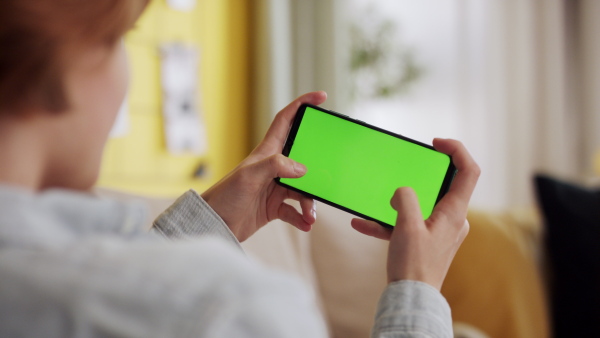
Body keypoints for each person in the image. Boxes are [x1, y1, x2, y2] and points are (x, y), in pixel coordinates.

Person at [0, 0, 480, 337]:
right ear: (59, 64)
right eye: (119, 40)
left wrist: (213, 221)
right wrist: (416, 289)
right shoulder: (230, 308)